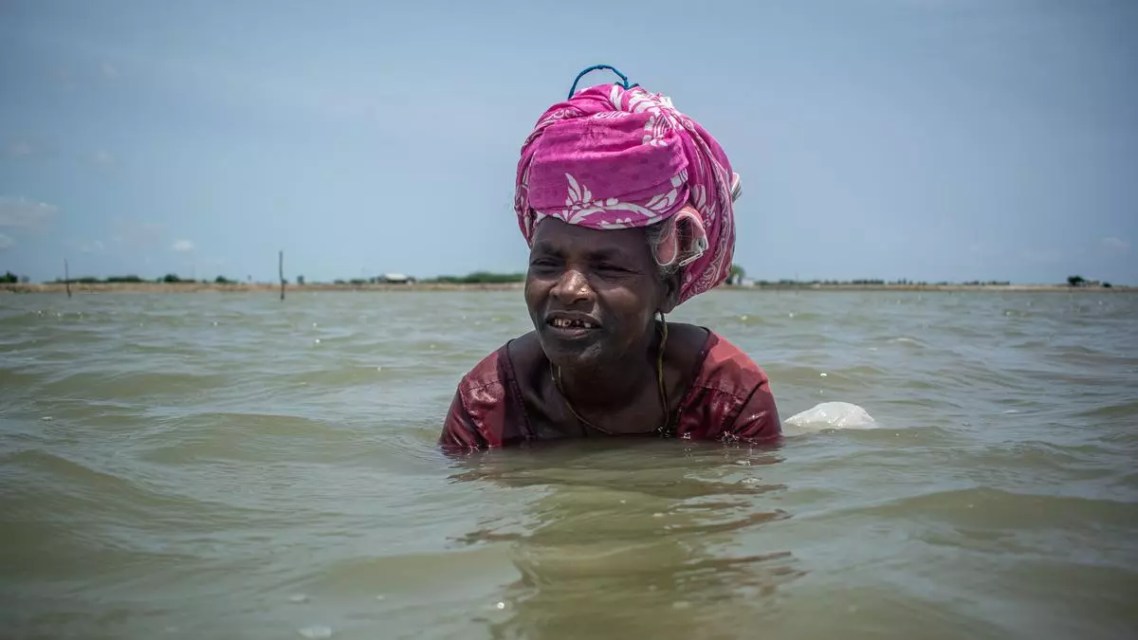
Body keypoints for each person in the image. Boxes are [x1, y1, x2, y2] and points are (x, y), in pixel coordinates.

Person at [440, 66, 780, 450]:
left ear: (667, 288)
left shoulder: (726, 398)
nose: (568, 290)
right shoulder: (487, 404)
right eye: (547, 263)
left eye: (606, 267)